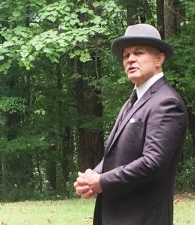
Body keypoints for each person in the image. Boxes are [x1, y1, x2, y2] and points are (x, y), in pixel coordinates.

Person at [74, 24, 188, 225]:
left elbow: (153, 163)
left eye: (139, 52)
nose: (130, 59)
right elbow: (118, 154)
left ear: (159, 59)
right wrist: (94, 175)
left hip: (142, 218)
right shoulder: (132, 101)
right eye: (126, 55)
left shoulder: (166, 102)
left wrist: (102, 182)